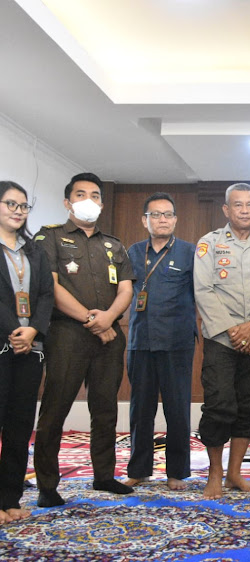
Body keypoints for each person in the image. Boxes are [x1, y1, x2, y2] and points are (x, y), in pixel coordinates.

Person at [33, 172, 135, 507]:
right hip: (66, 335)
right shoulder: (49, 237)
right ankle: (47, 484)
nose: (88, 200)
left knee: (105, 410)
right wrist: (94, 320)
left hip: (109, 336)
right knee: (55, 407)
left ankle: (104, 476)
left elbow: (126, 289)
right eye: (80, 194)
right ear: (67, 201)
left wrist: (108, 319)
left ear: (102, 203)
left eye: (94, 195)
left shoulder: (114, 244)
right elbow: (51, 287)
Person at [194, 183, 250, 499]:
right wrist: (234, 330)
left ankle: (234, 474)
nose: (244, 210)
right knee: (219, 404)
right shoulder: (209, 244)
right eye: (238, 205)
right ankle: (214, 474)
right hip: (221, 338)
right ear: (226, 210)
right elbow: (203, 290)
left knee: (247, 406)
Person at [124, 192, 198, 491]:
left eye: (168, 214)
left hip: (177, 341)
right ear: (145, 220)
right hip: (141, 340)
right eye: (155, 214)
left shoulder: (189, 252)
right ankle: (139, 469)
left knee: (177, 409)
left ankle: (176, 471)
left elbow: (202, 295)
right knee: (140, 409)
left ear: (176, 219)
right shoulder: (133, 252)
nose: (162, 219)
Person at [0, 181, 54, 523]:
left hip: (30, 350)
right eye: (11, 204)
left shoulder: (34, 250)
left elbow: (47, 295)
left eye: (23, 206)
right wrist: (13, 330)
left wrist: (33, 329)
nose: (18, 211)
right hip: (2, 344)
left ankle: (10, 498)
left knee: (20, 427)